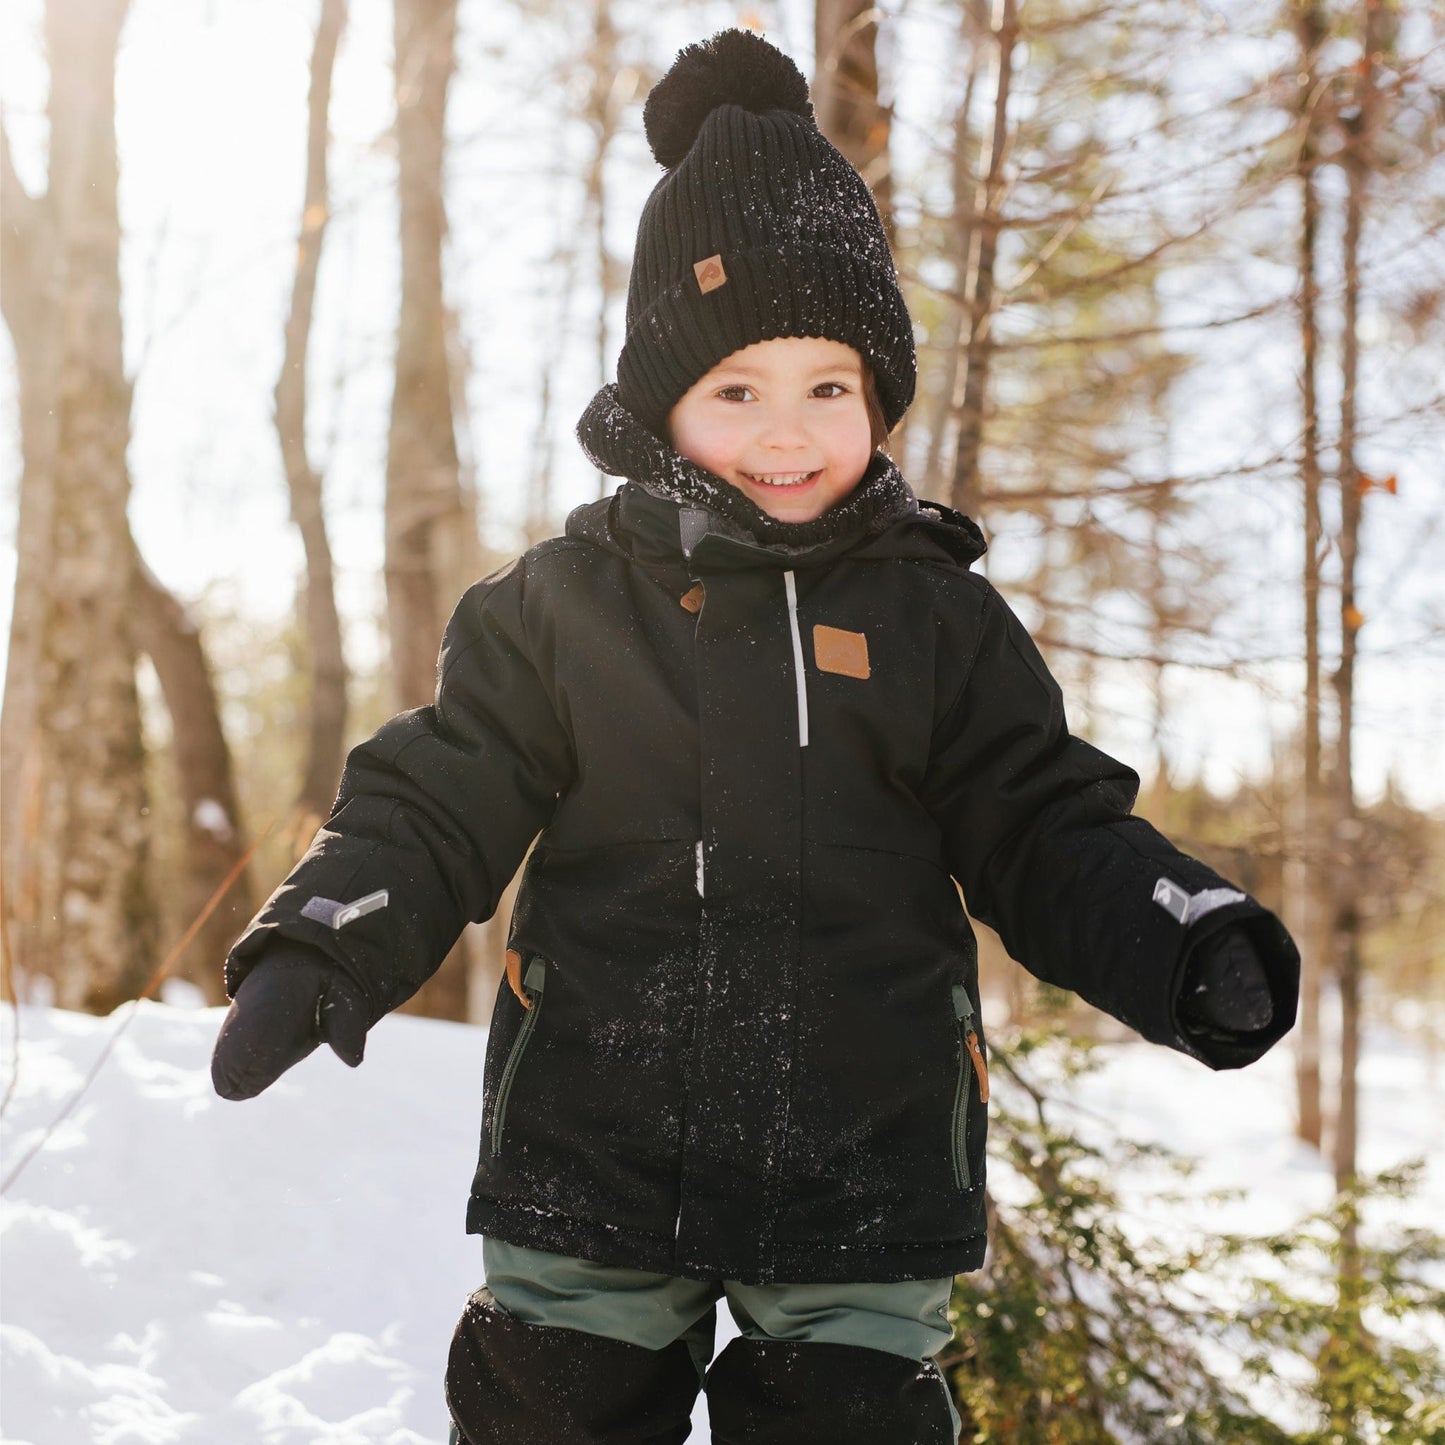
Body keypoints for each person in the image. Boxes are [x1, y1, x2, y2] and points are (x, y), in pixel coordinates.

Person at [211, 29, 1299, 1445]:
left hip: (863, 1159)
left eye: (827, 387)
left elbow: (1043, 825)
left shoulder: (934, 621)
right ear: (658, 404)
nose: (786, 433)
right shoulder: (560, 606)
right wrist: (324, 934)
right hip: (596, 1139)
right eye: (736, 390)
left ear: (877, 395)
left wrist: (1182, 933)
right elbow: (439, 792)